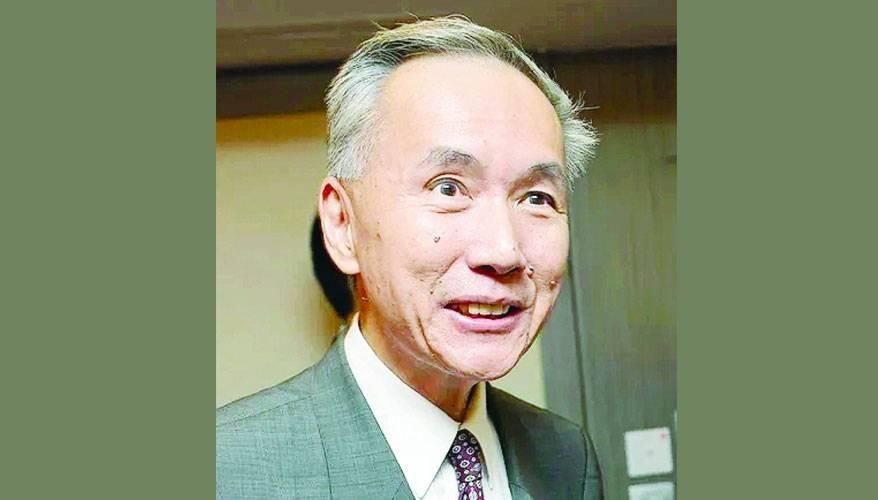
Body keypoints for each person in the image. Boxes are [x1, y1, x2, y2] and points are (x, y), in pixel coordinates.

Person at [217, 15, 602, 499]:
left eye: (536, 198)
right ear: (343, 225)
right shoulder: (227, 471)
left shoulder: (565, 458)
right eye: (448, 188)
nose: (503, 251)